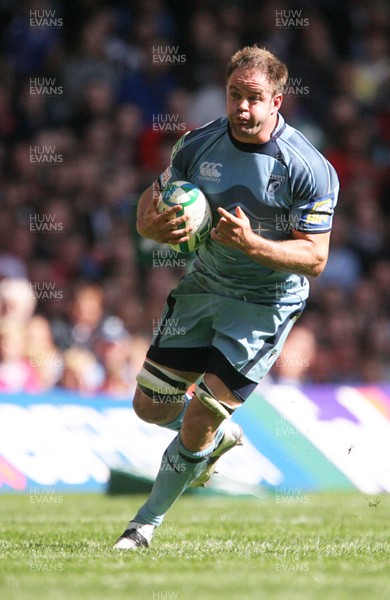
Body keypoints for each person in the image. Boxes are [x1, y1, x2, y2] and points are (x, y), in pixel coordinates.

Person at [114, 46, 339, 550]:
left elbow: (316, 259)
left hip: (265, 303)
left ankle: (143, 526)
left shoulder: (309, 167)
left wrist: (253, 244)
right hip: (204, 286)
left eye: (253, 98)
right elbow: (150, 208)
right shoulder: (197, 146)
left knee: (197, 418)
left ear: (277, 101)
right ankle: (215, 438)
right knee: (149, 408)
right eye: (234, 94)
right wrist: (148, 224)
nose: (241, 107)